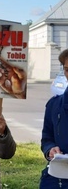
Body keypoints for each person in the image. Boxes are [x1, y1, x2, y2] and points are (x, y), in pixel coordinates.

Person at [40, 49, 68, 188]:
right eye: (67, 70)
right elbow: (46, 137)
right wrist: (50, 149)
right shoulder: (54, 104)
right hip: (56, 179)